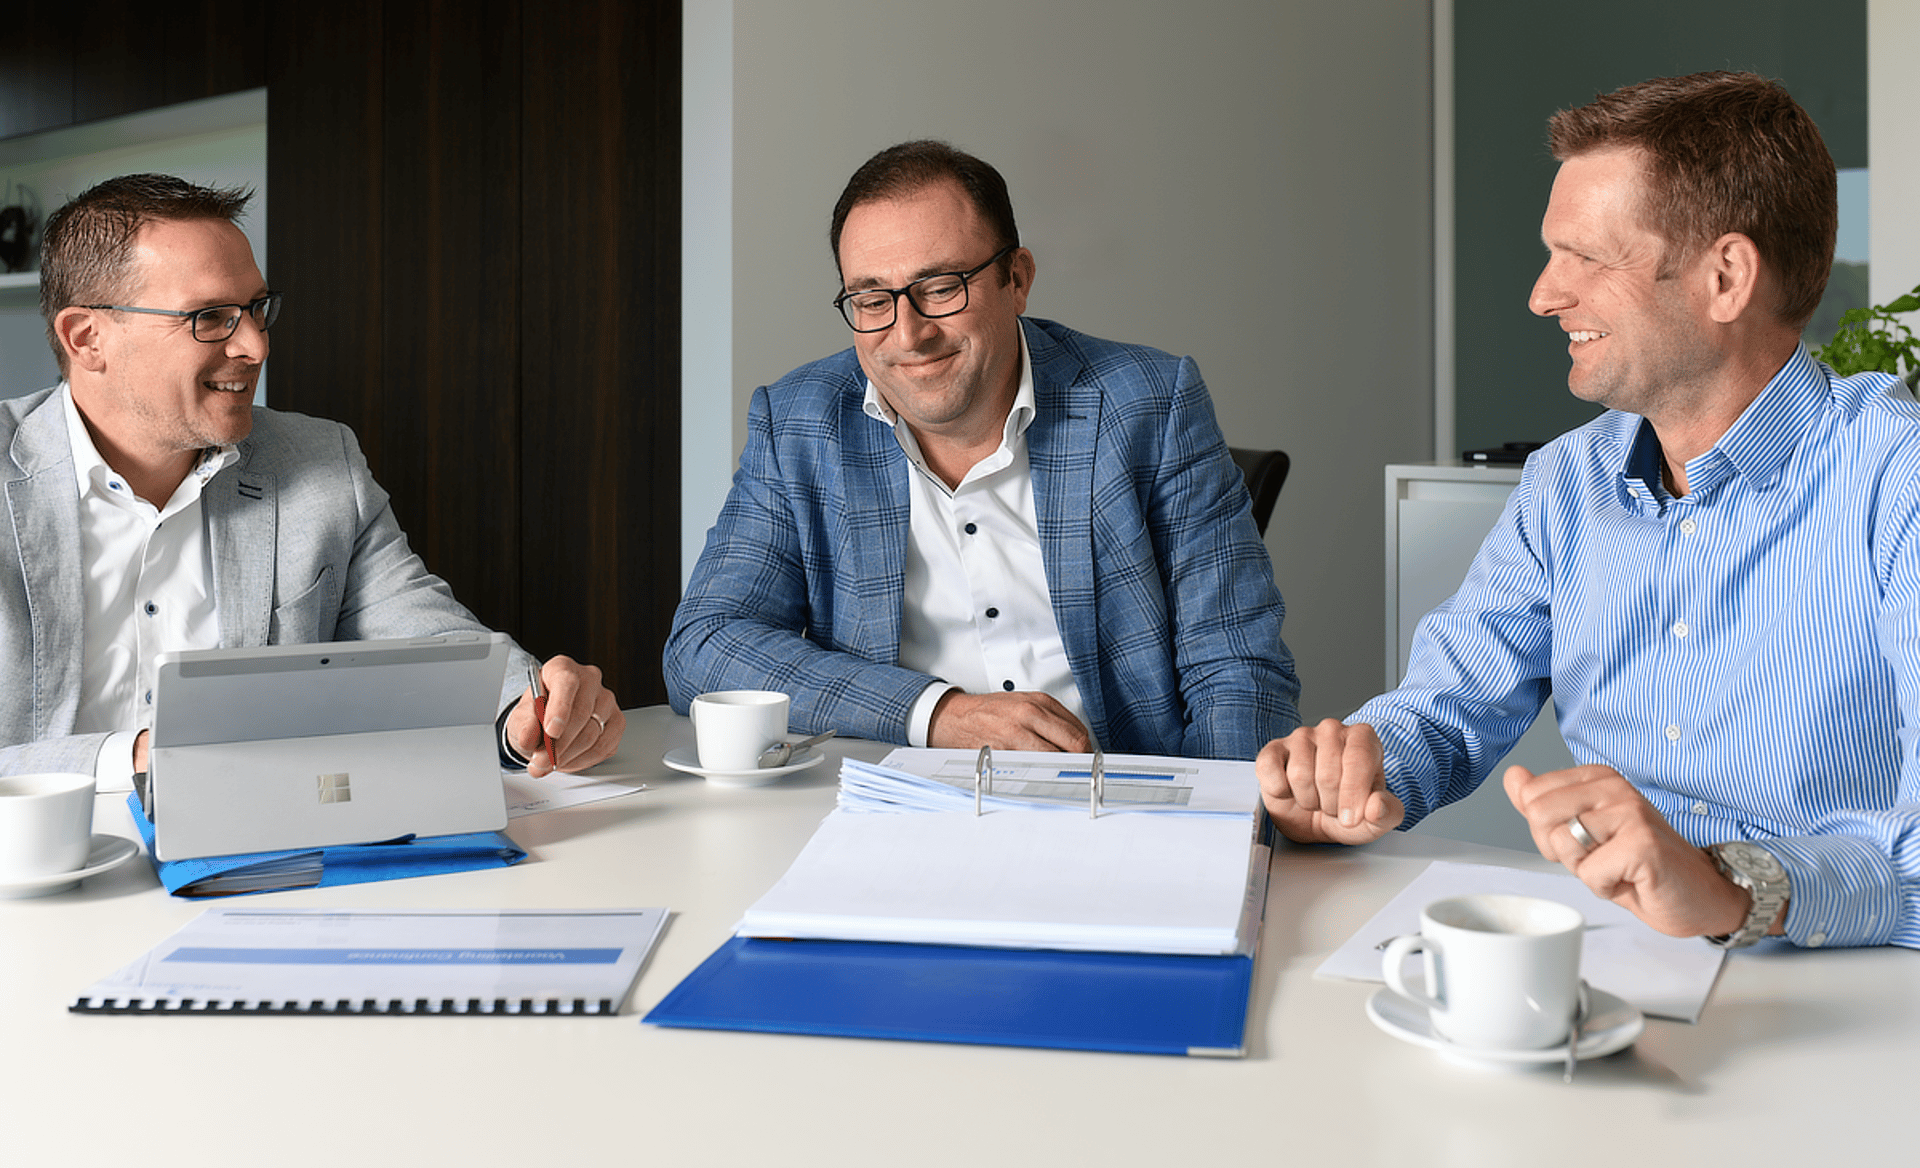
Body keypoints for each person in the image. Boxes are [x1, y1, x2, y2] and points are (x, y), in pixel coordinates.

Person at [1258, 71, 1920, 950]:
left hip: (1852, 999)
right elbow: (1450, 706)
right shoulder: (1569, 480)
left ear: (1726, 277)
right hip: (1617, 963)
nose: (1543, 294)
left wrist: (1734, 888)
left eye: (1588, 258)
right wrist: (1354, 775)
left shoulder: (1894, 478)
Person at [666, 139, 1297, 758]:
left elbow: (1237, 668)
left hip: (1111, 811)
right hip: (893, 815)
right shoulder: (800, 423)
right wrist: (935, 713)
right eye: (871, 300)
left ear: (1016, 280)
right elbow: (705, 646)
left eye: (939, 287)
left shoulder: (1151, 407)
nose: (907, 334)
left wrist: (1213, 831)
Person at [0, 173, 624, 787]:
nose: (255, 346)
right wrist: (134, 758)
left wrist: (531, 709)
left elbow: (428, 641)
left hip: (269, 857)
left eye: (256, 309)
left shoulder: (321, 459)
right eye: (210, 317)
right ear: (87, 339)